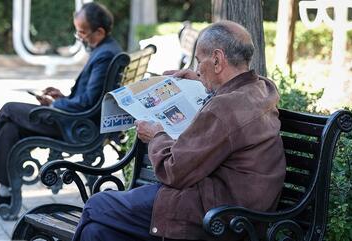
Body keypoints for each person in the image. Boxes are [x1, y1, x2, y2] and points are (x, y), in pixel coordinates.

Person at [72, 20, 286, 241]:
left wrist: (155, 136)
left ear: (217, 60)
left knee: (96, 206)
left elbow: (173, 170)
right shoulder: (262, 88)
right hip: (236, 206)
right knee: (96, 232)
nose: (196, 70)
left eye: (198, 62)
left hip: (214, 214)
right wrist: (201, 80)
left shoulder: (224, 108)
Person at [0, 2, 122, 211]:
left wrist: (55, 104)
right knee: (10, 129)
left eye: (82, 33)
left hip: (76, 127)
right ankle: (4, 194)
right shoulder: (106, 49)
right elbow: (89, 97)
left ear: (99, 31)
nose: (79, 37)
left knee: (9, 109)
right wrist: (63, 96)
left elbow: (87, 103)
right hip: (79, 122)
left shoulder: (105, 54)